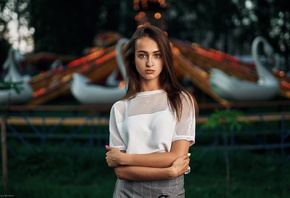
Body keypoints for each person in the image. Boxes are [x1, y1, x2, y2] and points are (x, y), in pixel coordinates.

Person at [105, 25, 198, 198]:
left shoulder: (181, 101)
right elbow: (122, 173)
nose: (149, 62)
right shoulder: (120, 108)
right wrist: (168, 172)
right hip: (126, 193)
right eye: (142, 55)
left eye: (157, 55)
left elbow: (177, 156)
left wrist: (126, 159)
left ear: (165, 59)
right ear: (133, 59)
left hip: (169, 193)